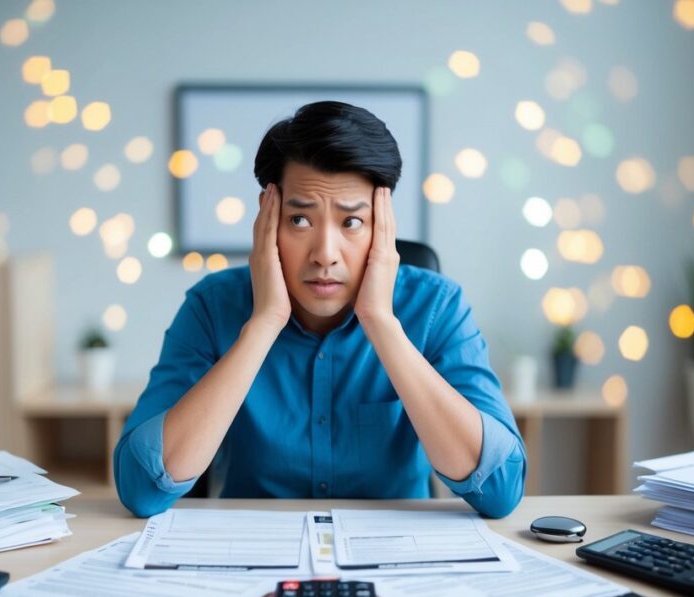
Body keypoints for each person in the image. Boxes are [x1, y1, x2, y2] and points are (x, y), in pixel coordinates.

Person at [114, 101, 526, 518]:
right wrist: (264, 323)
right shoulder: (211, 306)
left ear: (382, 226)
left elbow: (501, 490)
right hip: (254, 549)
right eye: (299, 221)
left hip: (398, 553)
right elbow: (142, 489)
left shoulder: (438, 306)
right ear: (267, 217)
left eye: (351, 223)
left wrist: (381, 323)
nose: (326, 255)